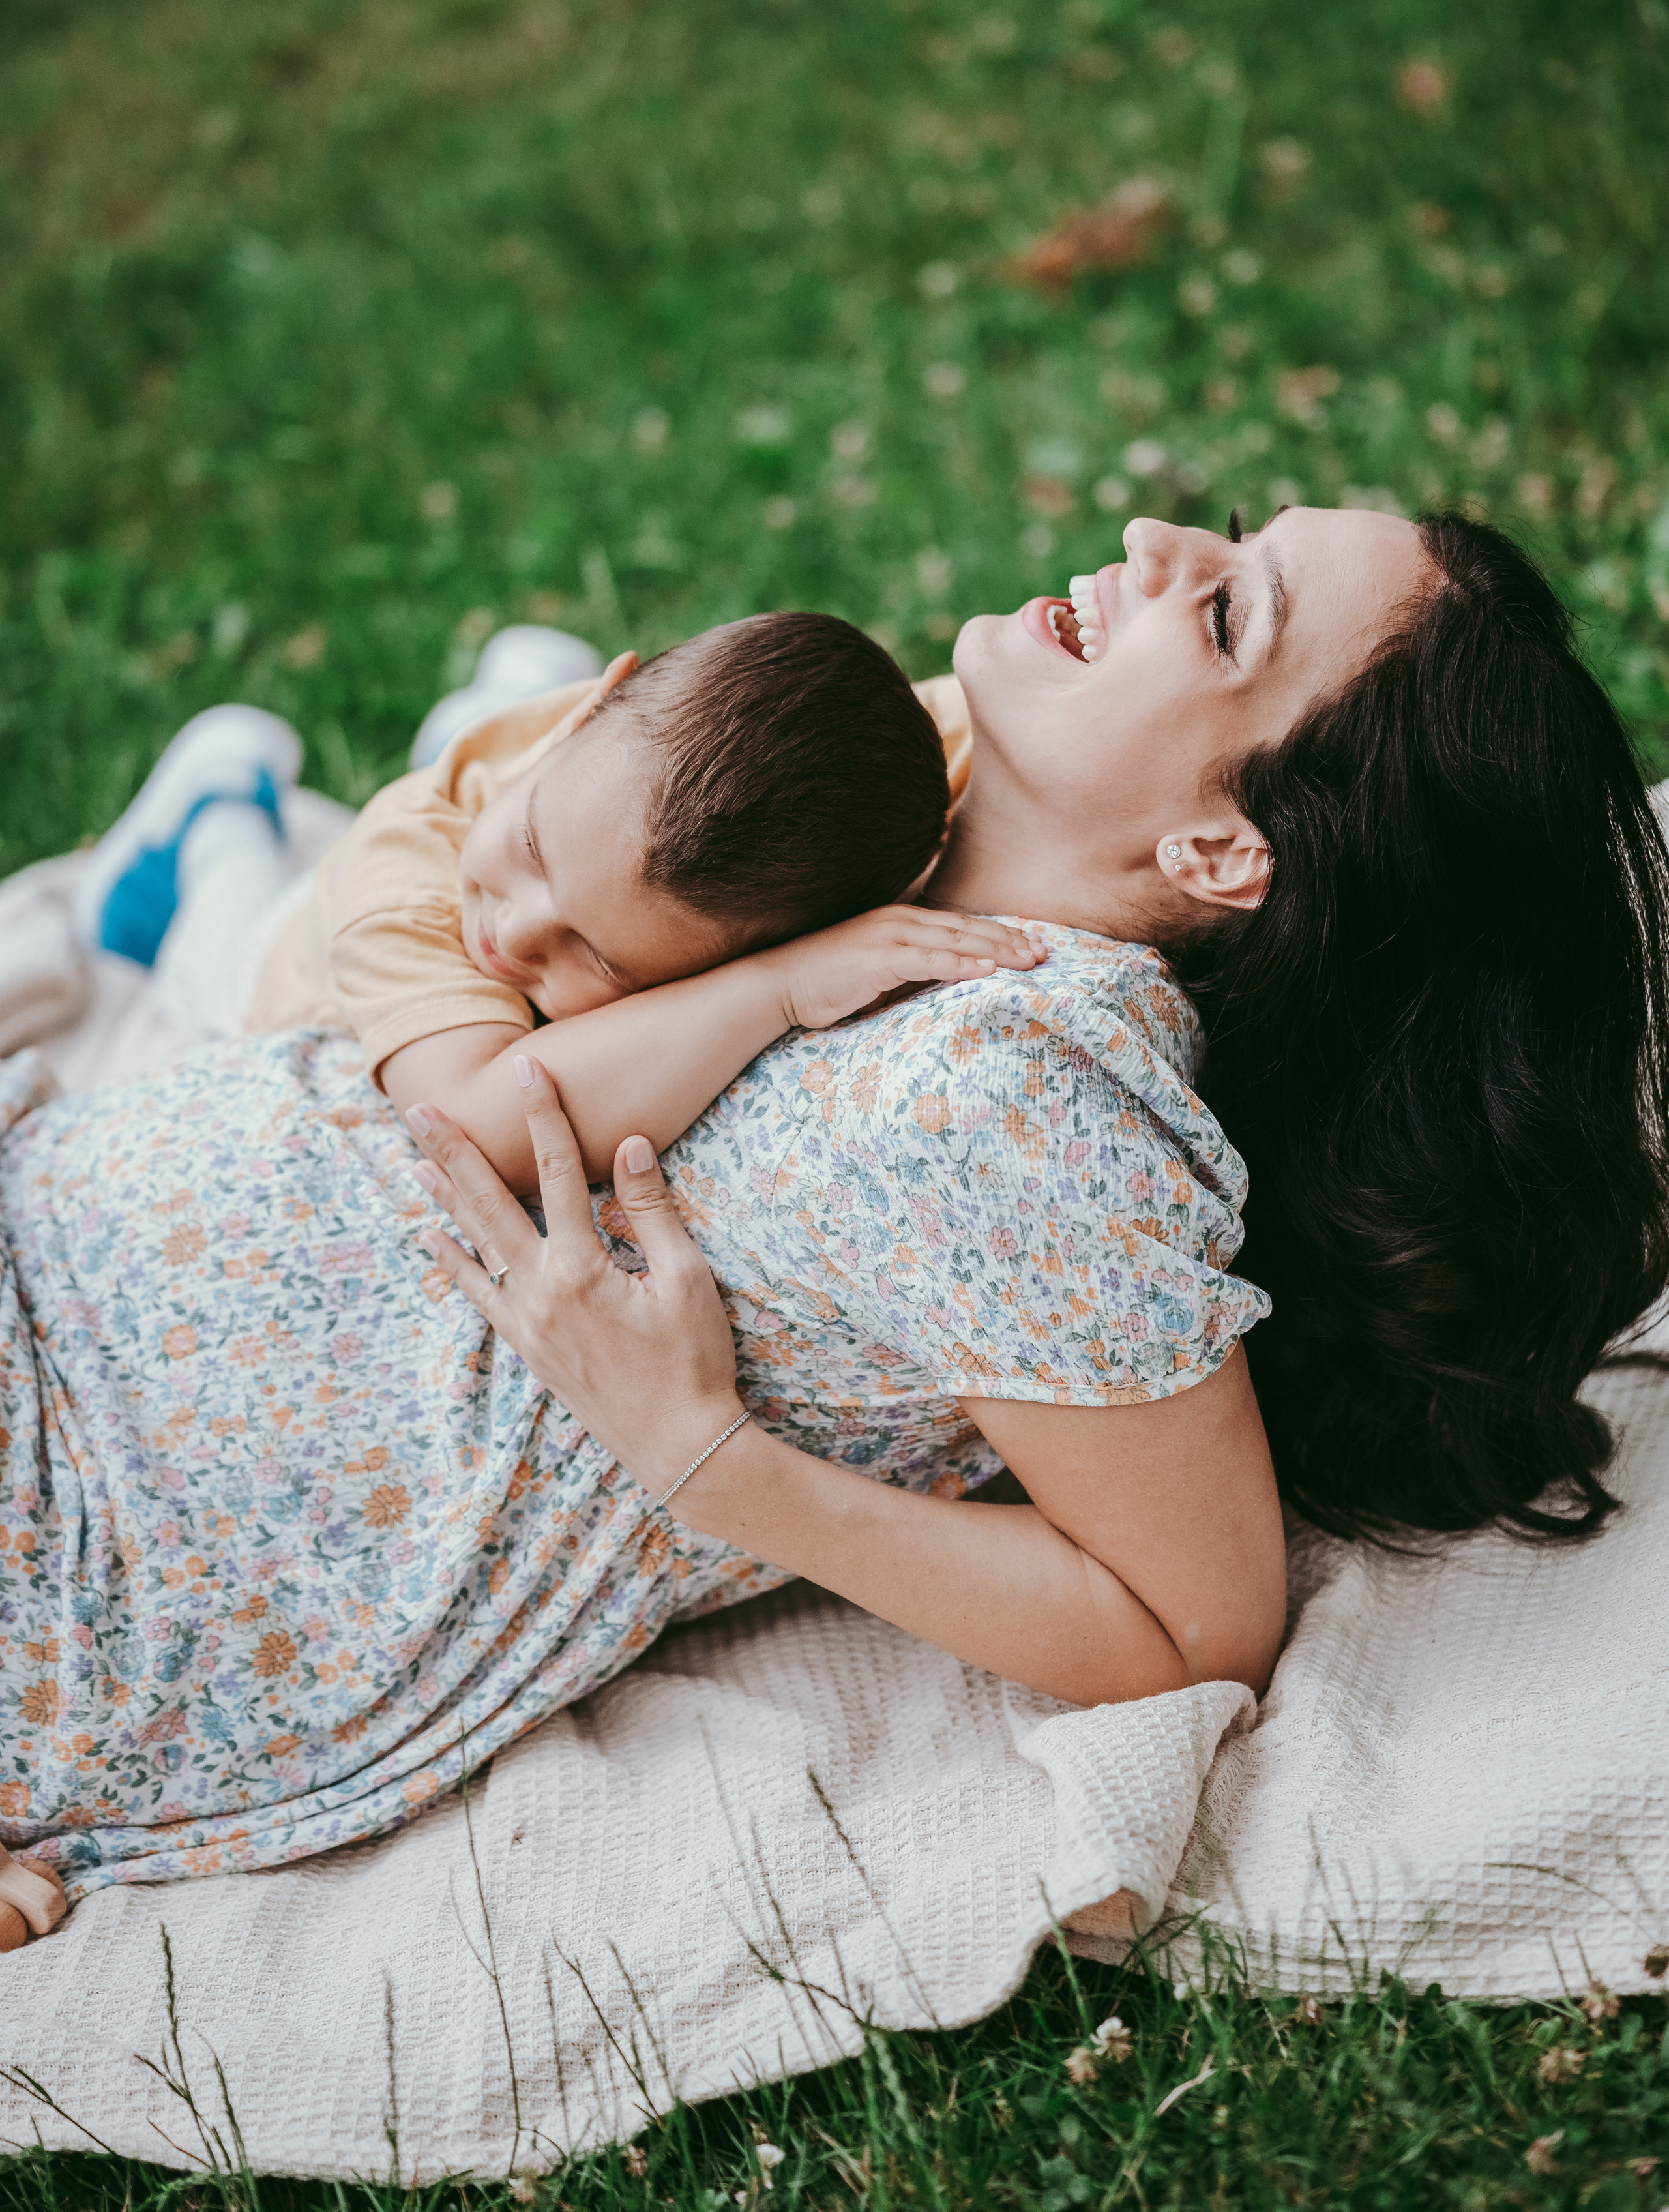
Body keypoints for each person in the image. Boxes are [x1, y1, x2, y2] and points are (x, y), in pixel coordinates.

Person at [1, 506, 1664, 1943]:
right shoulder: (899, 828)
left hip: (82, 1525)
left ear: (1220, 845)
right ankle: (212, 850)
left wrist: (706, 1457)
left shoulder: (1020, 1093)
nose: (1160, 541)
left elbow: (1189, 1623)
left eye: (1223, 609)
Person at [245, 610, 989, 1186]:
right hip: (292, 970)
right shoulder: (403, 880)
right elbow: (476, 1126)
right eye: (533, 847)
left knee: (498, 766)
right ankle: (213, 817)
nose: (516, 930)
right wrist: (779, 987)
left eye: (600, 958)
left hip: (527, 772)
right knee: (224, 918)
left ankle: (497, 707)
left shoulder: (885, 806)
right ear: (591, 707)